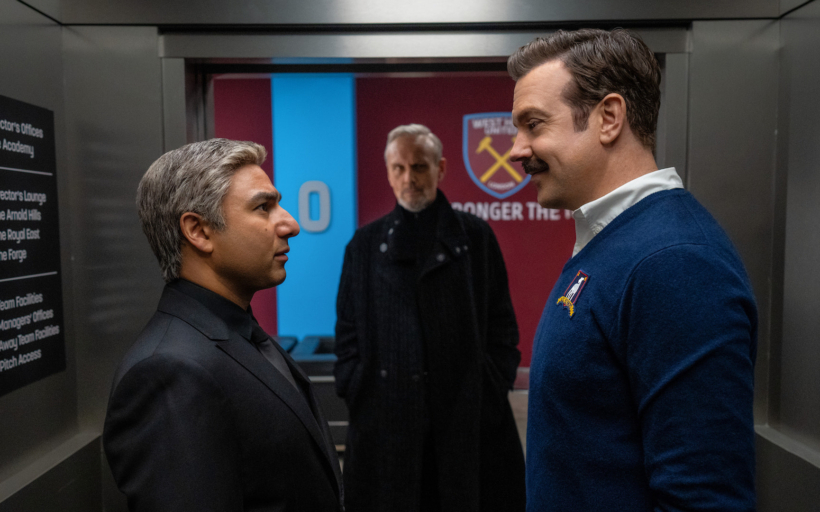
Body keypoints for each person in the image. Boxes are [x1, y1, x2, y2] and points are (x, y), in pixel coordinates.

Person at [508, 29, 757, 511]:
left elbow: (704, 498)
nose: (518, 149)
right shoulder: (618, 241)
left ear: (609, 118)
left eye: (533, 125)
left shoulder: (676, 262)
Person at [103, 139, 343, 511]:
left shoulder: (236, 334)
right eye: (263, 207)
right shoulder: (168, 371)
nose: (290, 224)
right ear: (198, 231)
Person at [334, 124, 525, 512]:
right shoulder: (364, 246)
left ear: (441, 168)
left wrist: (488, 389)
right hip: (385, 422)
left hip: (467, 421)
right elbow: (347, 332)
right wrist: (357, 388)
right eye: (399, 168)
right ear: (389, 173)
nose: (409, 178)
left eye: (419, 166)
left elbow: (502, 328)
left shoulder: (475, 238)